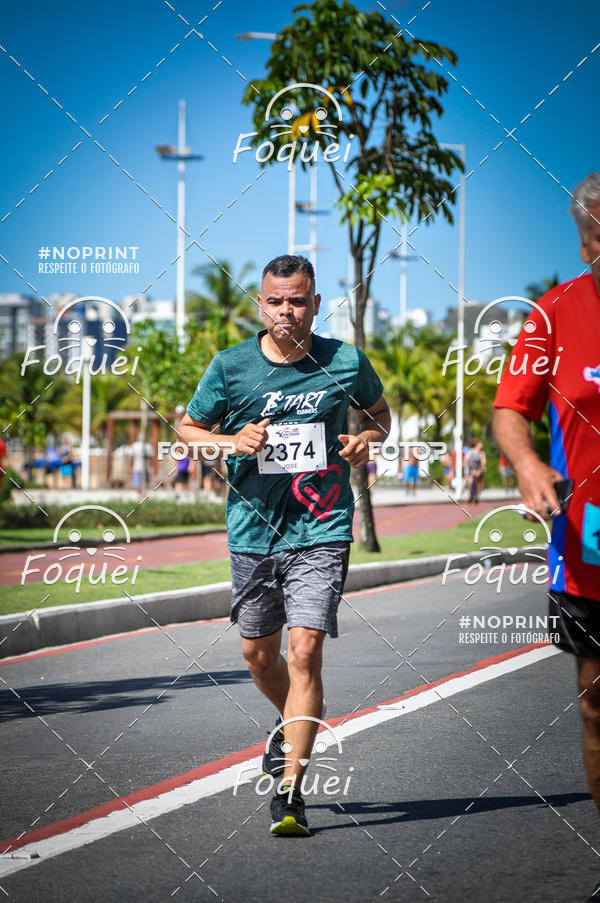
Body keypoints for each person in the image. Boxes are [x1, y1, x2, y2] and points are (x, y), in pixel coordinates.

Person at [178, 254, 390, 836]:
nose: (286, 312)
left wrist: (365, 439)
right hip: (252, 531)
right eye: (276, 301)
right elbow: (187, 429)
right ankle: (289, 721)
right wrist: (228, 439)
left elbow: (380, 415)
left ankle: (292, 792)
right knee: (258, 656)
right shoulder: (231, 368)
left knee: (304, 652)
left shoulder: (344, 361)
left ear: (315, 304)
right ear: (261, 305)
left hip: (322, 528)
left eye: (298, 300)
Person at [493, 171, 600, 902]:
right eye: (594, 238)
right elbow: (511, 408)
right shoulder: (554, 313)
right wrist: (528, 461)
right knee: (597, 704)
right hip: (589, 549)